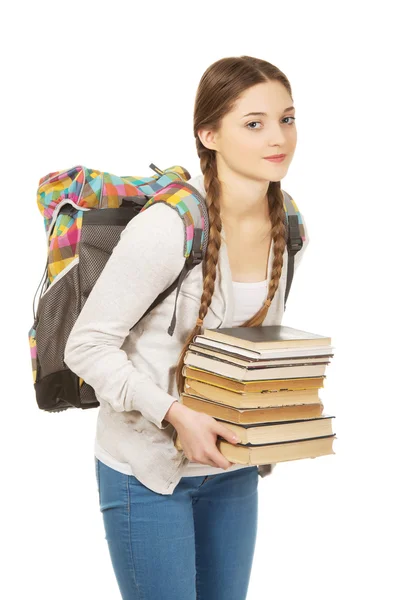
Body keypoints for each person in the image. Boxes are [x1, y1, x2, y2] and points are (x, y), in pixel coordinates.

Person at [64, 54, 309, 600]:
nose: (279, 137)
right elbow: (87, 345)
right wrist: (175, 413)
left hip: (233, 467)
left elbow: (252, 347)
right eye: (254, 123)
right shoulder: (168, 228)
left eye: (287, 119)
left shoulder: (289, 226)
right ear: (209, 134)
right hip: (147, 472)